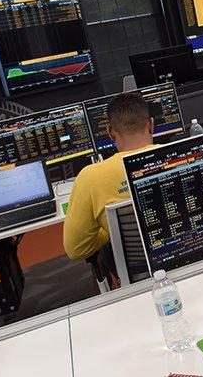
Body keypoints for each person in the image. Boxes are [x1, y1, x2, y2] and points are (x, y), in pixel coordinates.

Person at [63, 93, 157, 273]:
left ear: (111, 133)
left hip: (137, 273)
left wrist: (111, 230)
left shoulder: (89, 177)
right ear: (151, 125)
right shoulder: (184, 156)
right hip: (193, 258)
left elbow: (76, 250)